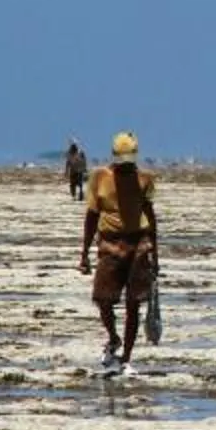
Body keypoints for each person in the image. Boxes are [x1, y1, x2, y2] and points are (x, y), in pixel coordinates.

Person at [79, 131, 158, 374]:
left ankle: (126, 358)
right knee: (103, 299)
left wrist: (155, 254)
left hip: (138, 244)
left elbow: (150, 215)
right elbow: (92, 216)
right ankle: (114, 338)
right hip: (110, 244)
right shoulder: (99, 177)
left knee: (134, 304)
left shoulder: (145, 178)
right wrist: (84, 252)